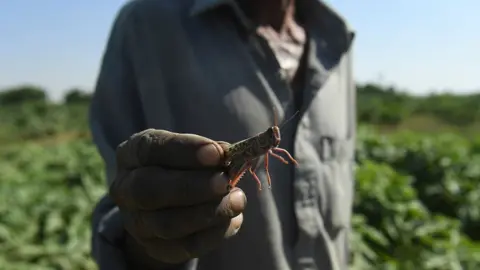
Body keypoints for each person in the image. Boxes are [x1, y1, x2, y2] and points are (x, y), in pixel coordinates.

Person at [89, 0, 356, 269]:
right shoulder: (146, 23)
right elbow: (122, 206)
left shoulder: (337, 36)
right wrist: (153, 233)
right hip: (233, 158)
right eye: (272, 135)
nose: (275, 140)